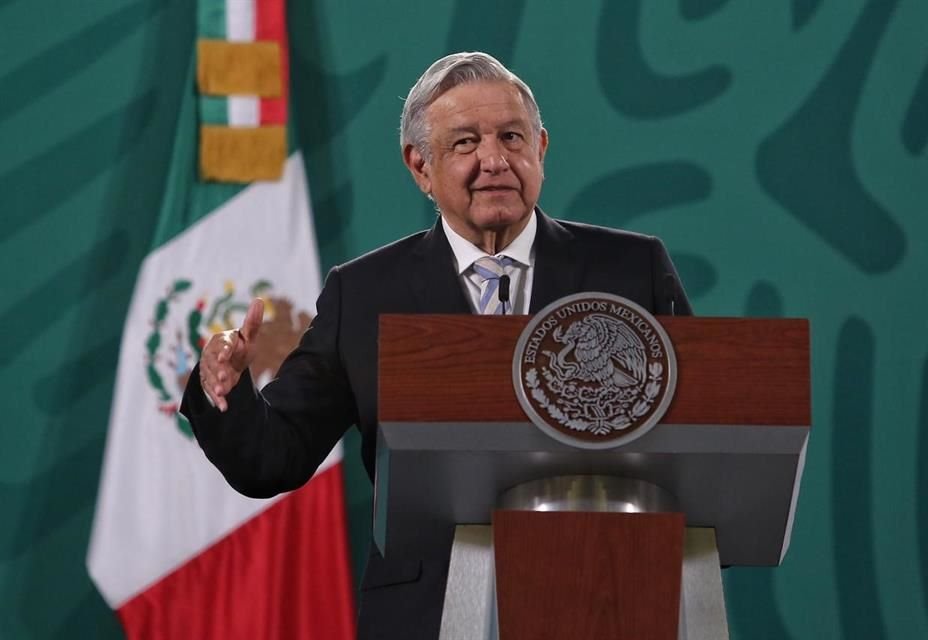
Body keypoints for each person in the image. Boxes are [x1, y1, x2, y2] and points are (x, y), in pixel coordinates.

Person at [181, 51, 692, 639]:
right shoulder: (366, 293)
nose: (495, 160)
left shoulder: (631, 270)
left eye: (511, 137)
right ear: (420, 166)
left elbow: (698, 433)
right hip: (428, 612)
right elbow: (275, 458)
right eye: (465, 143)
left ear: (542, 149)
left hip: (605, 600)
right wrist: (225, 388)